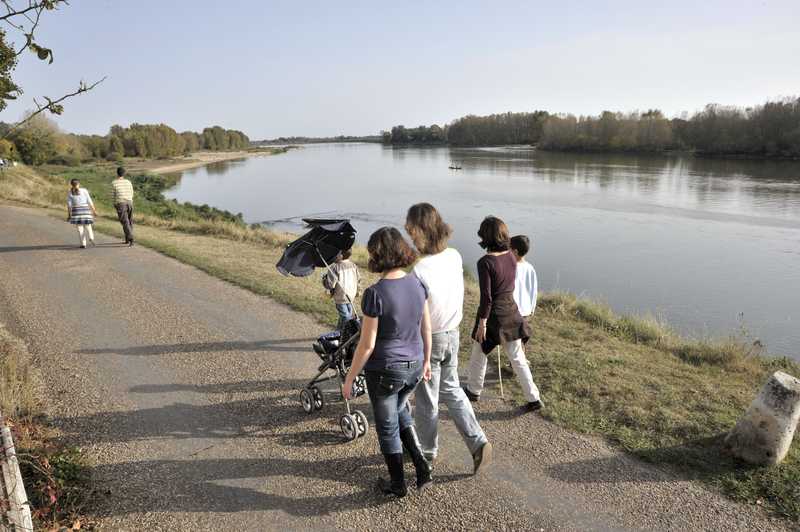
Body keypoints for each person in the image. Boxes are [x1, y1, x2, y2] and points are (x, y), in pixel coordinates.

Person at [342, 227, 433, 498]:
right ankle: (422, 466)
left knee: (387, 428)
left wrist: (349, 378)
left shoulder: (375, 294)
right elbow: (426, 328)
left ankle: (397, 484)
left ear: (378, 255)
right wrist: (426, 361)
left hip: (385, 372)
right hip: (415, 365)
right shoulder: (418, 284)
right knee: (401, 408)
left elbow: (367, 345)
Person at [405, 203, 492, 474]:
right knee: (452, 389)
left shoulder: (419, 270)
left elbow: (417, 314)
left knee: (427, 399)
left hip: (429, 339)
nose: (409, 236)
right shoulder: (454, 255)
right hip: (453, 334)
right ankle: (478, 442)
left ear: (420, 231)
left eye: (410, 230)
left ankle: (427, 454)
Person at [464, 216, 543, 412]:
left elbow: (487, 297)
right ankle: (534, 398)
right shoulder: (511, 256)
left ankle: (473, 390)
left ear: (485, 236)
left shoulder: (485, 262)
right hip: (511, 311)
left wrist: (482, 323)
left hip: (493, 315)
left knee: (479, 350)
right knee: (517, 357)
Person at [322, 248, 360, 329]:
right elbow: (358, 280)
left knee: (346, 317)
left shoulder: (335, 267)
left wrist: (324, 280)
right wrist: (358, 291)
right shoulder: (353, 265)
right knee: (346, 314)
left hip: (341, 296)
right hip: (351, 295)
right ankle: (339, 331)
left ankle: (350, 330)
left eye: (336, 254)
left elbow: (330, 285)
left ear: (341, 256)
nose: (334, 255)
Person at [510, 235, 538, 319]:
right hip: (526, 311)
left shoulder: (510, 267)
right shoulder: (530, 268)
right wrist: (532, 308)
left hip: (512, 312)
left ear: (515, 251)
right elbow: (534, 291)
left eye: (508, 249)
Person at [66, 178, 97, 248]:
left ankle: (83, 244)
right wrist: (94, 210)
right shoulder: (84, 190)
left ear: (71, 185)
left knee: (80, 228)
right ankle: (91, 237)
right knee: (88, 225)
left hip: (76, 212)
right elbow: (89, 201)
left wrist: (69, 215)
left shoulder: (70, 193)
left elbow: (69, 205)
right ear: (78, 184)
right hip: (85, 210)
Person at [112, 166, 135, 246]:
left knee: (125, 222)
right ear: (124, 173)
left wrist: (114, 203)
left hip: (120, 203)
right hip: (130, 202)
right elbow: (132, 192)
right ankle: (127, 239)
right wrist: (130, 200)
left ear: (117, 173)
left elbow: (112, 195)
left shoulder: (114, 182)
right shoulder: (128, 182)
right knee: (129, 221)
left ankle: (130, 238)